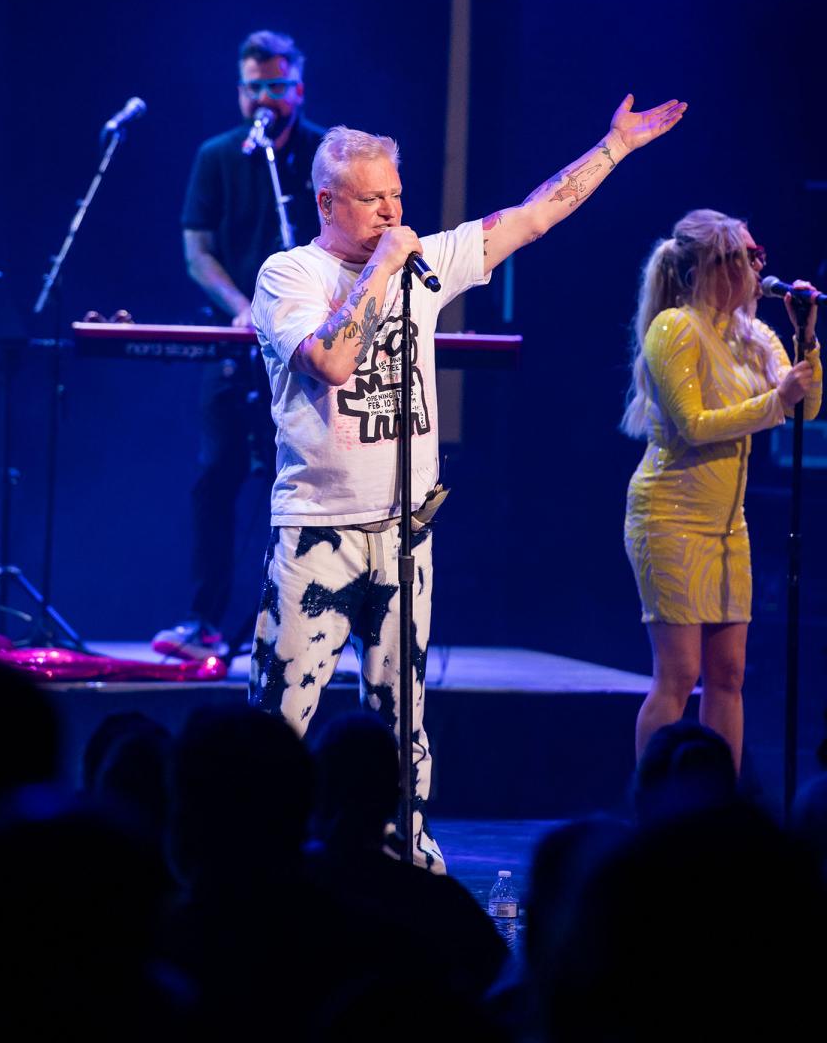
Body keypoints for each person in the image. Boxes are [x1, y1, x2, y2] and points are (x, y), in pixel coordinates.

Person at [250, 93, 686, 869]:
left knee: (402, 717)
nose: (392, 211)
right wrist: (383, 268)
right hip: (317, 531)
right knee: (280, 717)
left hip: (404, 533)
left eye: (396, 194)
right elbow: (332, 361)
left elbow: (533, 216)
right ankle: (255, 862)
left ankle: (405, 859)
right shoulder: (291, 274)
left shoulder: (424, 265)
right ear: (326, 202)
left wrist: (614, 147)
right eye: (372, 198)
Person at [622, 210, 822, 771]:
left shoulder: (753, 335)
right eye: (746, 256)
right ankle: (654, 802)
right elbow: (693, 424)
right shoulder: (675, 328)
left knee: (729, 673)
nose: (760, 267)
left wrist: (807, 340)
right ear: (711, 267)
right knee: (680, 672)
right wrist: (775, 401)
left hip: (727, 523)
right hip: (670, 514)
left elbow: (806, 406)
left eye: (759, 256)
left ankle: (718, 804)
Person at [156, 30, 326, 657]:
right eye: (254, 86)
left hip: (311, 346)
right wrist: (242, 308)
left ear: (298, 90)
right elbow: (197, 251)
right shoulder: (218, 156)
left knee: (311, 481)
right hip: (236, 344)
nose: (264, 98)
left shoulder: (324, 154)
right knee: (216, 476)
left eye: (276, 86)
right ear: (239, 91)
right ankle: (203, 622)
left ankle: (315, 626)